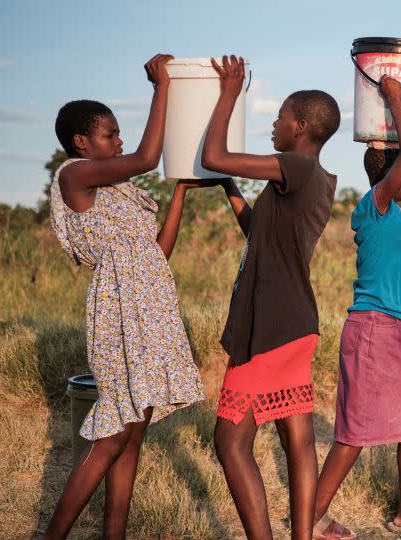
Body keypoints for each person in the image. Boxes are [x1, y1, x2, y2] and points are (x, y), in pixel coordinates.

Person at [42, 54, 207, 539]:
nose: (120, 141)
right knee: (113, 430)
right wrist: (163, 88)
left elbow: (157, 254)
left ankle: (114, 535)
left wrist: (178, 195)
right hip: (117, 312)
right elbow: (147, 158)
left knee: (134, 430)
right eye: (111, 134)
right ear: (81, 141)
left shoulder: (120, 190)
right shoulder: (74, 175)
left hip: (152, 309)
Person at [202, 55, 341, 539]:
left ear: (300, 126)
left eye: (280, 117)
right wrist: (231, 191)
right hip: (296, 322)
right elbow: (259, 234)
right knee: (296, 438)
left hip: (272, 327)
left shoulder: (296, 167)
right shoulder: (315, 180)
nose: (273, 124)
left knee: (230, 441)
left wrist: (228, 92)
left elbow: (216, 154)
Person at [312, 76, 401, 539]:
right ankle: (310, 517)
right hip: (372, 329)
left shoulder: (392, 214)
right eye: (400, 173)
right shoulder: (375, 204)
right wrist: (394, 97)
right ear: (388, 177)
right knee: (352, 433)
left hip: (392, 331)